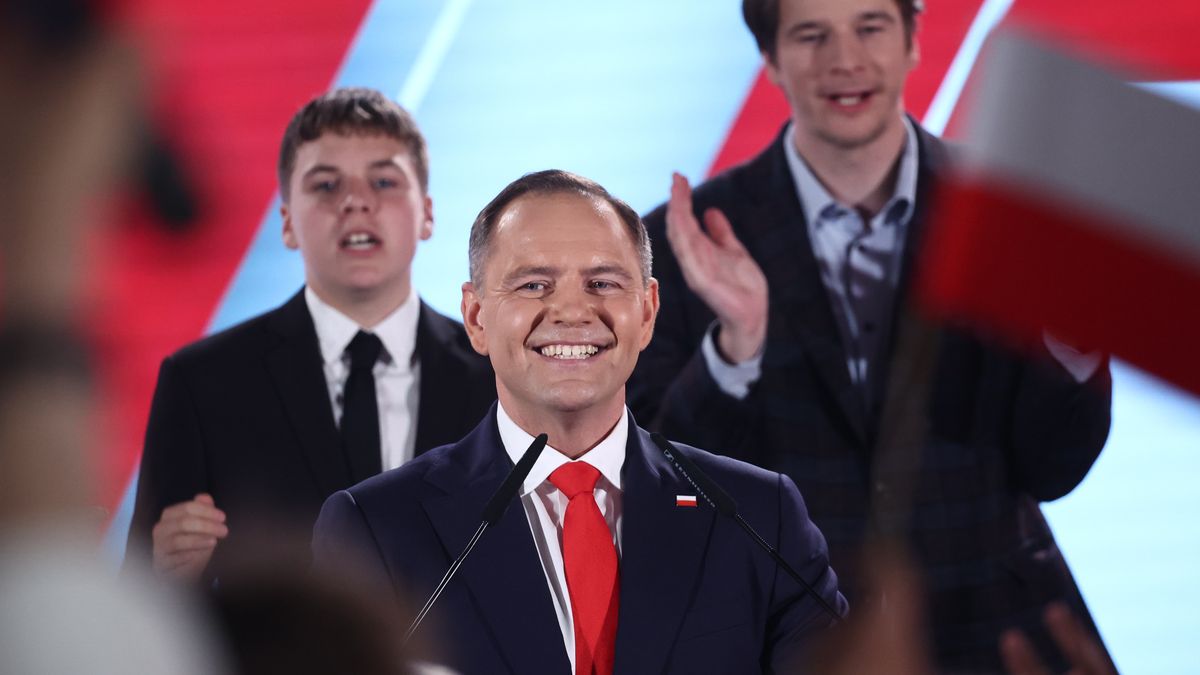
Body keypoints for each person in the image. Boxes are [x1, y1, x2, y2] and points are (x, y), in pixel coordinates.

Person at [626, 0, 1113, 672]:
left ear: (914, 40)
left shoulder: (1012, 215)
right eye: (811, 34)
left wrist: (1073, 342)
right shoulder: (686, 241)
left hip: (1005, 639)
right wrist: (734, 353)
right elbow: (660, 505)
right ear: (770, 60)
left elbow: (1054, 469)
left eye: (870, 26)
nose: (845, 60)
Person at [312, 170, 846, 675]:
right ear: (476, 318)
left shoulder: (758, 517)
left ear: (647, 312)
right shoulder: (374, 529)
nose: (572, 310)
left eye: (603, 284)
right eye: (533, 286)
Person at [126, 88, 496, 584]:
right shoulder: (202, 382)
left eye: (383, 180)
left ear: (427, 213)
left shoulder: (500, 374)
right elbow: (145, 591)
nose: (355, 202)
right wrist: (164, 572)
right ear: (286, 223)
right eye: (326, 185)